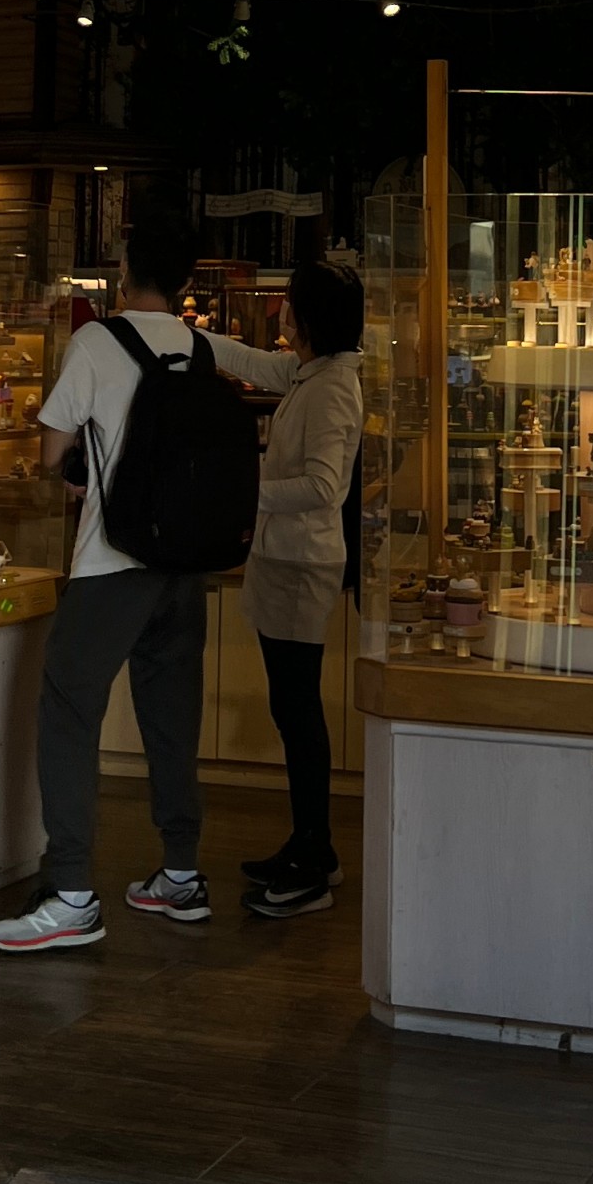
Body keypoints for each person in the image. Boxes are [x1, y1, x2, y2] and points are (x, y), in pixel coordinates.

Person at [0, 204, 243, 955]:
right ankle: (180, 873)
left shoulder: (97, 340)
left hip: (111, 563)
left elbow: (50, 451)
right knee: (172, 719)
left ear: (125, 271)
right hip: (181, 567)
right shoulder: (197, 347)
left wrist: (78, 465)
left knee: (68, 711)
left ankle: (69, 892)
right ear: (186, 279)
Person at [232, 257, 366, 922]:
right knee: (292, 709)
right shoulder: (313, 371)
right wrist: (184, 336)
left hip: (301, 564)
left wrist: (245, 492)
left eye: (288, 302)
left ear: (307, 315)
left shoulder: (333, 386)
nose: (280, 312)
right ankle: (310, 845)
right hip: (284, 560)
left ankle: (312, 860)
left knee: (298, 710)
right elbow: (256, 364)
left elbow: (323, 487)